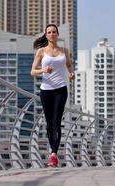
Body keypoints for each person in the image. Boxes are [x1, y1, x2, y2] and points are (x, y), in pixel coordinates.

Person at [30, 24, 75, 167]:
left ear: (57, 34)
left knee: (56, 122)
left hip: (61, 90)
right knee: (49, 123)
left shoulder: (64, 51)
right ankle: (53, 153)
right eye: (49, 32)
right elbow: (32, 71)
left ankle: (54, 154)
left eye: (54, 32)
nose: (51, 34)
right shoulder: (41, 51)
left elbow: (68, 65)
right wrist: (43, 70)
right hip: (46, 91)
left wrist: (71, 73)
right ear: (46, 35)